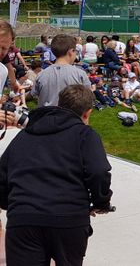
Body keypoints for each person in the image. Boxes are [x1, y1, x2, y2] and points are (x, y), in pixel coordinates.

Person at [0, 84, 113, 266]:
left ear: (59, 105)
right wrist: (101, 202)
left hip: (24, 218)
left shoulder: (24, 136)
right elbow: (98, 171)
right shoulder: (85, 134)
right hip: (69, 218)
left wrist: (9, 203)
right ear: (88, 113)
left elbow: (2, 175)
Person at [34, 34, 91, 107]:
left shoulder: (41, 74)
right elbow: (88, 96)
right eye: (75, 51)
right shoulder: (80, 74)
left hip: (46, 115)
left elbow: (34, 93)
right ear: (71, 51)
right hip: (70, 115)